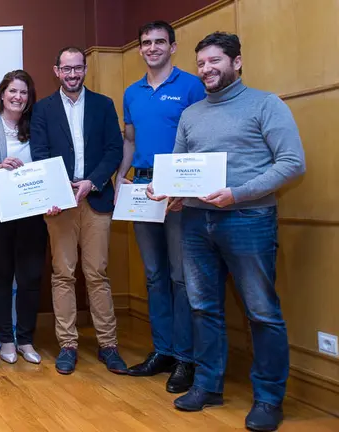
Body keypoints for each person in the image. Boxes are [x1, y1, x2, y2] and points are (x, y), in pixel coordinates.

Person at [147, 32, 305, 432]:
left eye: (215, 61)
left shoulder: (266, 104)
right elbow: (180, 165)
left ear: (237, 63)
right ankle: (208, 385)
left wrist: (237, 194)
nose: (206, 70)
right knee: (203, 308)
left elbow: (291, 163)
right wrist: (169, 191)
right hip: (196, 222)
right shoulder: (192, 114)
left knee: (262, 312)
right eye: (201, 63)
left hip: (249, 220)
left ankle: (269, 399)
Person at [117, 21, 206, 393]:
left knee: (181, 277)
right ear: (139, 49)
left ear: (173, 46)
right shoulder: (132, 92)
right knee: (154, 275)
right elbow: (130, 139)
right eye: (146, 42)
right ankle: (163, 351)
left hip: (178, 190)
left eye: (159, 42)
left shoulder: (191, 85)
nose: (152, 48)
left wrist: (188, 188)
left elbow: (204, 137)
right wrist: (121, 177)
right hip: (141, 186)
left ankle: (186, 359)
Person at [30, 47, 127, 375]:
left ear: (85, 69)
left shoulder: (103, 104)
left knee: (97, 273)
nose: (72, 74)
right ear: (56, 70)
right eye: (66, 69)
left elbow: (115, 149)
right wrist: (59, 189)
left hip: (96, 198)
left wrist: (92, 182)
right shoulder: (43, 109)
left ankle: (108, 345)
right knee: (63, 273)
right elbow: (40, 152)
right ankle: (68, 344)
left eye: (78, 68)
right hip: (60, 203)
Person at [0, 70, 46, 364]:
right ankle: (6, 340)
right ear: (2, 94)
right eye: (12, 91)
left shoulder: (39, 125)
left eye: (24, 93)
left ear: (30, 99)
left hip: (32, 211)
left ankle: (26, 340)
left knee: (30, 277)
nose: (17, 97)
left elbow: (50, 165)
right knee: (1, 276)